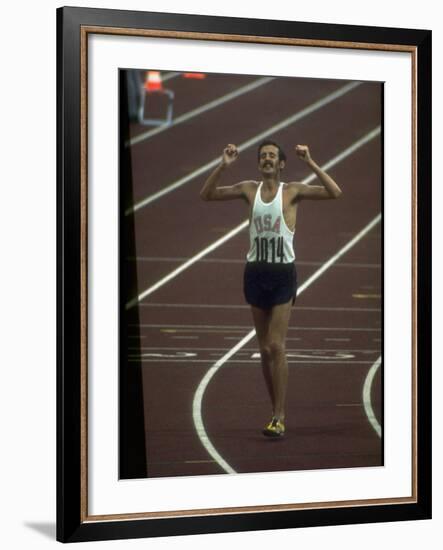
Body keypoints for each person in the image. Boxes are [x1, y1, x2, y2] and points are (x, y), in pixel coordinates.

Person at [200, 140, 342, 437]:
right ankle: (273, 410)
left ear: (281, 164)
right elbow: (207, 194)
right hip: (255, 273)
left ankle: (279, 415)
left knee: (277, 345)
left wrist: (311, 163)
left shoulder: (292, 191)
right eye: (263, 155)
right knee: (264, 350)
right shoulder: (248, 189)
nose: (266, 159)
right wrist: (223, 166)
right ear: (259, 162)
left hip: (282, 275)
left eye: (272, 156)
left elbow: (334, 192)